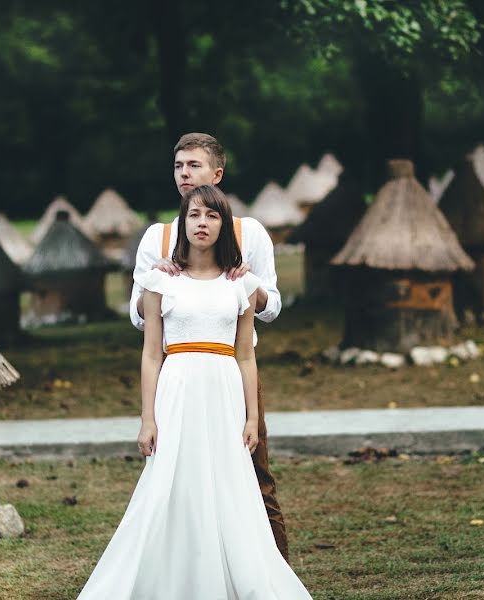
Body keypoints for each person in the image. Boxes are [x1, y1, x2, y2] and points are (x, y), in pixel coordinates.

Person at [78, 185, 311, 599]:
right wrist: (148, 418)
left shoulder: (240, 285)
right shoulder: (159, 283)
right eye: (194, 215)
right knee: (173, 481)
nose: (202, 223)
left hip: (223, 389)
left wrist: (252, 417)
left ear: (225, 226)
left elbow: (245, 356)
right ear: (183, 224)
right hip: (178, 386)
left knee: (228, 483)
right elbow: (151, 356)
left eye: (212, 216)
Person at [129, 133, 289, 560]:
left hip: (231, 371)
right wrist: (163, 281)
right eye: (179, 166)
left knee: (252, 475)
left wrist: (240, 284)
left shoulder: (248, 231)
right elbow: (138, 317)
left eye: (195, 166)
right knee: (176, 476)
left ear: (217, 173)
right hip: (178, 374)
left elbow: (271, 305)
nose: (185, 174)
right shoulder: (158, 239)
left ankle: (271, 569)